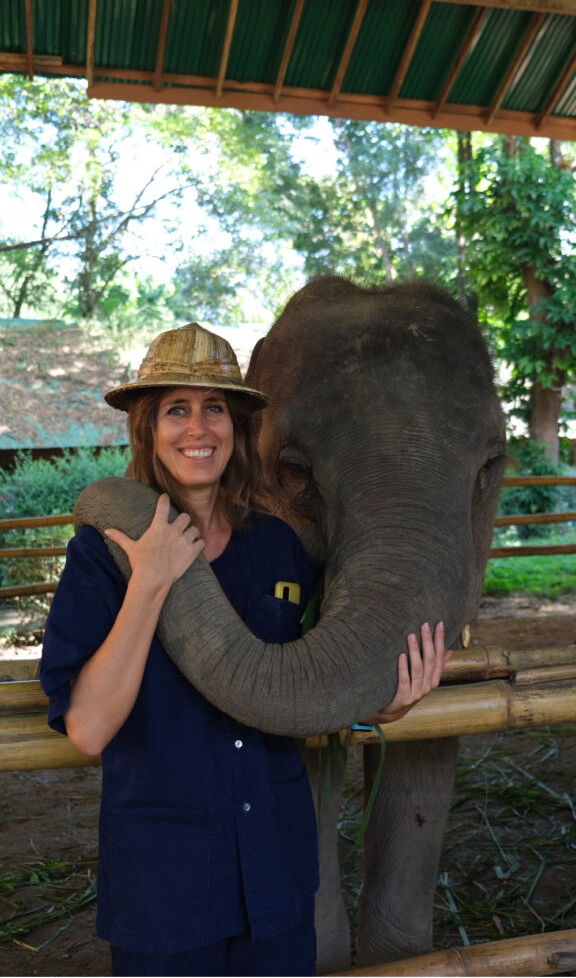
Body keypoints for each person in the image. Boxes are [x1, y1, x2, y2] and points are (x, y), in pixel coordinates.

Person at [40, 322, 450, 978]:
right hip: (166, 885)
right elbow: (88, 729)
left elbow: (303, 679)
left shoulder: (278, 547)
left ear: (237, 426)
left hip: (275, 874)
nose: (197, 429)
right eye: (176, 409)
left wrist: (378, 706)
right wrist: (150, 582)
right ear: (147, 429)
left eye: (215, 409)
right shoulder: (104, 553)